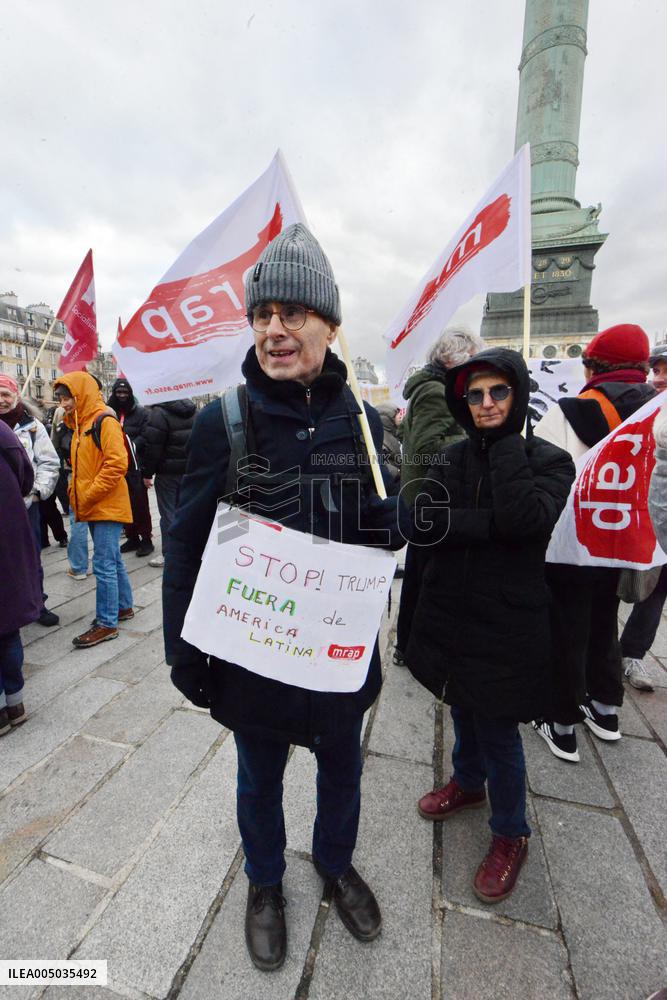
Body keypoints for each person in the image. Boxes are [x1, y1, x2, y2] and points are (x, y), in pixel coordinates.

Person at [163, 224, 405, 972]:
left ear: (329, 326)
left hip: (335, 652)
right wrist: (182, 653)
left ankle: (333, 863)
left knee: (342, 770)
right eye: (263, 314)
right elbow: (187, 542)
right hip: (253, 657)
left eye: (293, 313)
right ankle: (264, 882)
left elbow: (377, 525)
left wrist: (394, 517)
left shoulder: (362, 423)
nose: (274, 329)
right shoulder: (223, 421)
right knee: (257, 776)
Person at [407, 348, 574, 903]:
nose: (485, 403)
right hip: (452, 613)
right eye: (475, 394)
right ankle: (467, 784)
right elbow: (426, 524)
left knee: (499, 729)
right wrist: (487, 526)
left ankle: (511, 833)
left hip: (507, 621)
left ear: (517, 395)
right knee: (461, 707)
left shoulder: (550, 460)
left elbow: (525, 520)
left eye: (498, 392)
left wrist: (505, 448)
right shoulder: (452, 457)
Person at [533, 324, 655, 760]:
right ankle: (605, 709)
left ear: (590, 367)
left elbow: (542, 473)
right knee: (605, 617)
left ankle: (560, 721)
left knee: (565, 624)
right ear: (642, 368)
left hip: (572, 539)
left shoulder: (569, 413)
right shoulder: (656, 416)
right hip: (627, 539)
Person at [393, 328, 485, 666]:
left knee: (421, 573)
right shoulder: (435, 391)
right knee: (422, 575)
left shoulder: (433, 388)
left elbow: (410, 433)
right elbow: (426, 447)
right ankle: (409, 646)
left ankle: (408, 645)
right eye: (472, 359)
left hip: (425, 494)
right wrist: (473, 437)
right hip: (428, 497)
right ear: (453, 359)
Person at [52, 372, 134, 647]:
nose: (63, 403)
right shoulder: (80, 423)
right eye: (61, 399)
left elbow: (116, 464)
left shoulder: (103, 421)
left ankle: (106, 623)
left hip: (106, 504)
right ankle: (123, 606)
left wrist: (88, 495)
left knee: (103, 563)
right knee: (112, 559)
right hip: (95, 503)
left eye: (67, 398)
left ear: (82, 394)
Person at [619, 343, 667, 690]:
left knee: (656, 589)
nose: (660, 378)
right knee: (642, 588)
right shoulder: (640, 409)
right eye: (657, 370)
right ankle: (618, 656)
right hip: (644, 518)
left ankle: (630, 653)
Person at [0, 375, 60, 627]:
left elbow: (48, 462)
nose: (1, 400)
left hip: (25, 506)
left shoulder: (33, 426)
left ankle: (37, 602)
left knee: (31, 555)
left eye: (5, 394)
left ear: (15, 396)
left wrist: (36, 492)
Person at [0, 419, 42, 736]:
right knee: (7, 626)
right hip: (8, 537)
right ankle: (15, 702)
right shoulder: (5, 433)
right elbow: (25, 476)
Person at [142, 398, 197, 568]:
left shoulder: (159, 413)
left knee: (168, 514)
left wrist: (147, 472)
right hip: (189, 471)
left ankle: (170, 554)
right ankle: (189, 550)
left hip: (167, 473)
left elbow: (153, 447)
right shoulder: (193, 410)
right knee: (186, 513)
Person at [108, 378, 154, 557]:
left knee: (140, 504)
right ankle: (132, 537)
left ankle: (146, 539)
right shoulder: (109, 412)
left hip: (136, 465)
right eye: (118, 393)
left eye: (125, 393)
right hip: (117, 467)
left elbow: (147, 435)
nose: (121, 396)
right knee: (123, 504)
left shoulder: (141, 413)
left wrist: (131, 446)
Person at [52, 403, 90, 579]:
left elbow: (55, 447)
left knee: (78, 520)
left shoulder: (62, 416)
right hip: (94, 473)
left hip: (73, 473)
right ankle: (100, 563)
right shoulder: (100, 412)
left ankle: (79, 567)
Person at [374, 403, 402, 482]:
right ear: (386, 418)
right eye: (395, 414)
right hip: (392, 481)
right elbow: (380, 462)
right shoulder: (381, 437)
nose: (400, 416)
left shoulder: (395, 433)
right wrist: (397, 472)